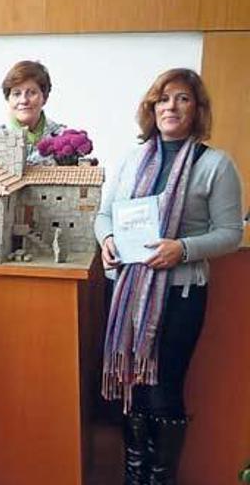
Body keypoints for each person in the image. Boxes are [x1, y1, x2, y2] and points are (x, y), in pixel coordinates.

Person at [94, 68, 243, 484]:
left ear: (197, 109)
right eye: (163, 99)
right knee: (133, 390)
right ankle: (134, 476)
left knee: (163, 389)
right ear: (151, 108)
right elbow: (104, 213)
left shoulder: (215, 165)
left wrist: (183, 249)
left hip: (180, 295)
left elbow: (231, 233)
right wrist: (105, 237)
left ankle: (160, 479)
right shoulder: (131, 158)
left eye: (181, 99)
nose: (170, 107)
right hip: (125, 289)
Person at [0, 60, 65, 165]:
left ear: (44, 98)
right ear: (8, 99)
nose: (24, 100)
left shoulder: (64, 138)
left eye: (32, 93)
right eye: (17, 94)